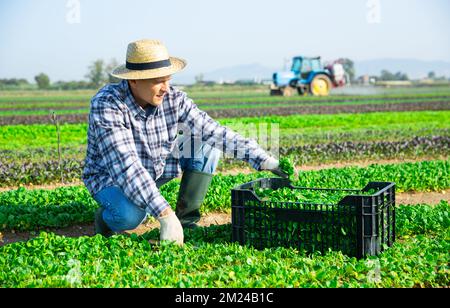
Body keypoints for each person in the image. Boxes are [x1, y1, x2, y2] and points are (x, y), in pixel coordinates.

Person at [82, 39, 287, 246]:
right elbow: (126, 166)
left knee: (207, 144)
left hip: (154, 168)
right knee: (131, 216)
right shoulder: (108, 104)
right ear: (134, 80)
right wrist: (164, 214)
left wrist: (264, 160)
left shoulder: (173, 98)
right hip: (112, 178)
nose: (165, 88)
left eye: (168, 79)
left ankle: (186, 221)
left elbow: (213, 131)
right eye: (157, 81)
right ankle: (107, 220)